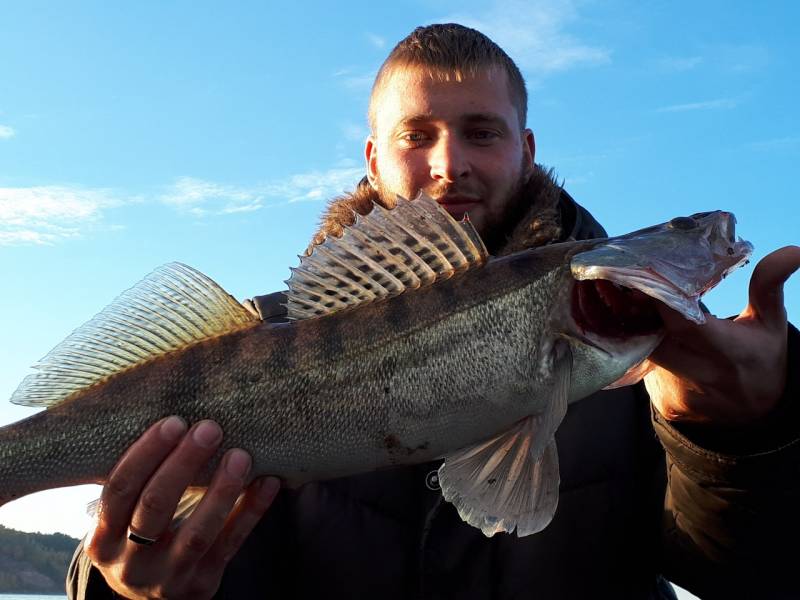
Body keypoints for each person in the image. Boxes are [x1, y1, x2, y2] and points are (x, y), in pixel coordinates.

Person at [68, 24, 799, 599]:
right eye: (417, 135)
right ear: (373, 159)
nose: (450, 163)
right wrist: (124, 589)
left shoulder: (667, 369)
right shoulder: (255, 338)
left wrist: (742, 438)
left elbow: (759, 577)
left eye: (482, 131)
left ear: (527, 148)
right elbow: (132, 563)